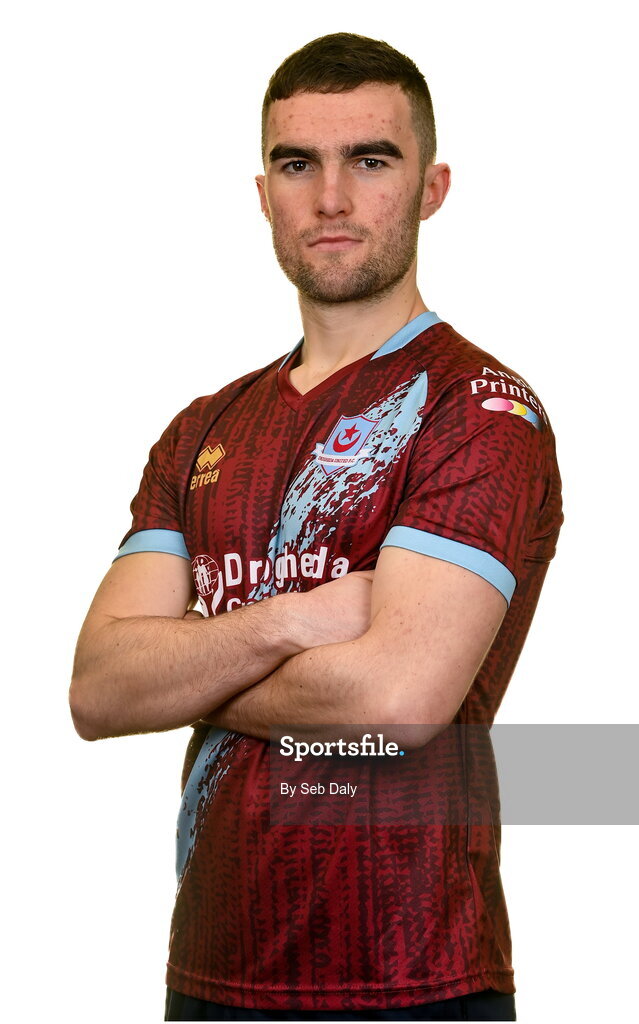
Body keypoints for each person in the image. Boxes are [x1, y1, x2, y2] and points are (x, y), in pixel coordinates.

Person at [70, 32, 562, 1022]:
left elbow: (394, 701)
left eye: (369, 161)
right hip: (209, 972)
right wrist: (289, 621)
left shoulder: (478, 410)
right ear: (265, 195)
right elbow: (98, 687)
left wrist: (191, 667)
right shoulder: (199, 431)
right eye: (298, 165)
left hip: (414, 975)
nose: (331, 198)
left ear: (430, 188)